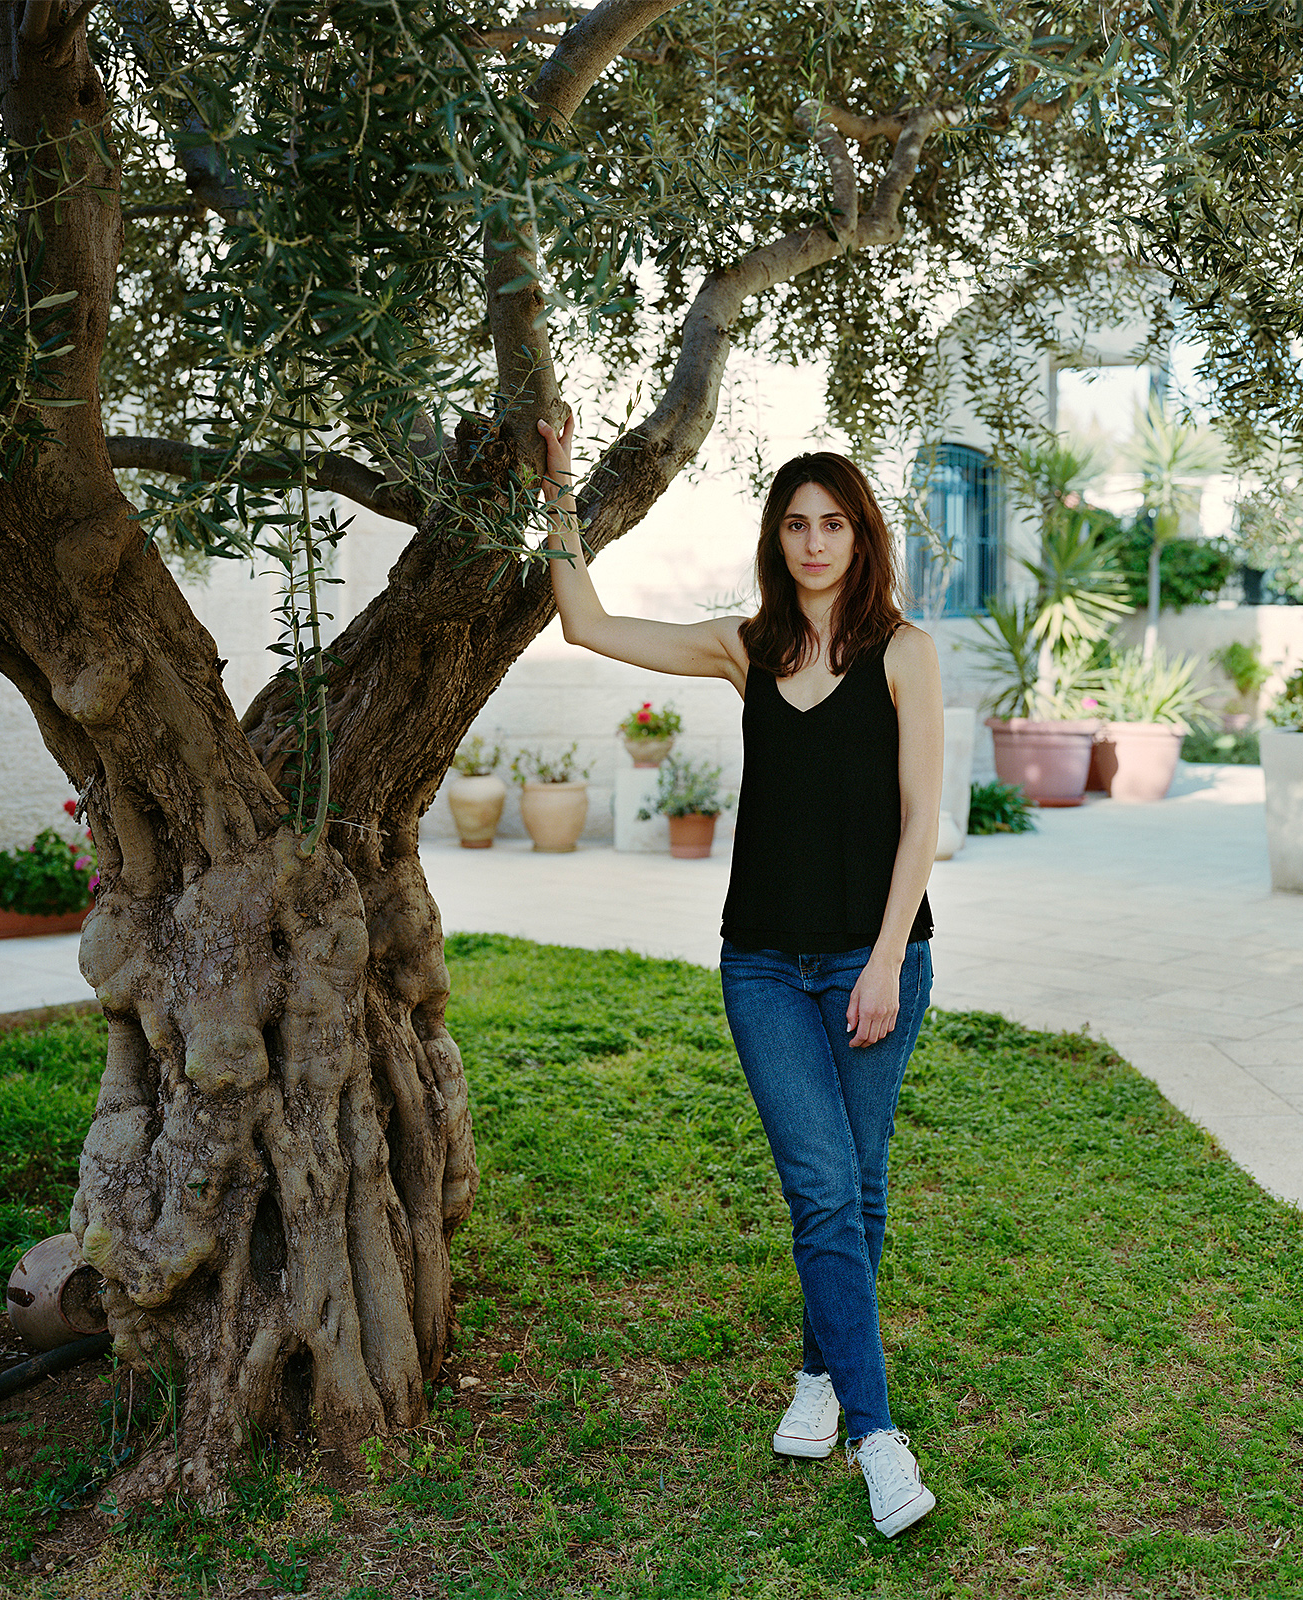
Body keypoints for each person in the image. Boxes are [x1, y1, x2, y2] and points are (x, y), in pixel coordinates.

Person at [536, 412, 943, 1538]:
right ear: (776, 539)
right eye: (794, 524)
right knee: (823, 1187)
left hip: (878, 961)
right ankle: (877, 1434)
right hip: (762, 963)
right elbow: (584, 621)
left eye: (832, 523)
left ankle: (818, 1377)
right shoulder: (745, 647)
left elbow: (920, 824)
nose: (813, 542)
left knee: (856, 1188)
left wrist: (879, 963)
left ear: (860, 537)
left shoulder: (904, 652)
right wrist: (560, 490)